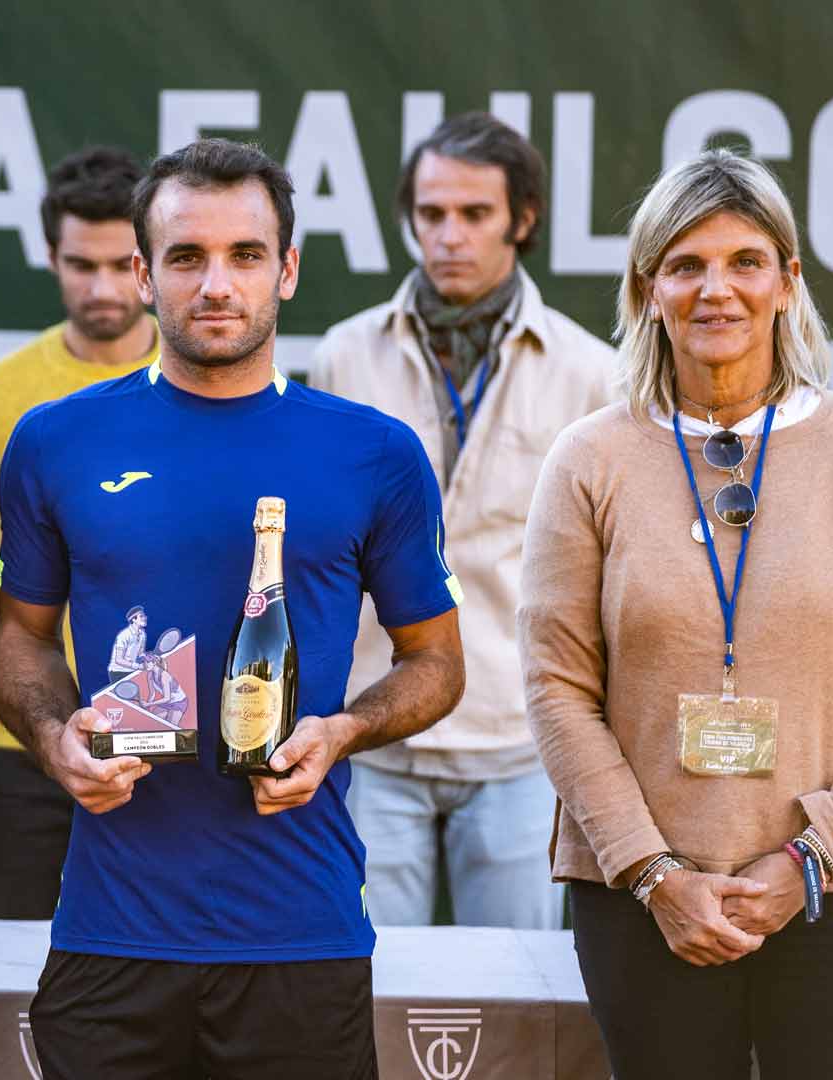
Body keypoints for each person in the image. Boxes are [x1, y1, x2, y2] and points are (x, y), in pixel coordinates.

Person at [0, 138, 465, 1077]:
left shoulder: (374, 452)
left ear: (286, 270)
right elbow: (20, 641)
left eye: (246, 255)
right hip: (111, 932)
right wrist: (51, 738)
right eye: (186, 256)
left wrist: (341, 733)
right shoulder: (56, 442)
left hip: (300, 931)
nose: (216, 284)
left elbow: (437, 666)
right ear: (142, 271)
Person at [518, 149, 833, 1079]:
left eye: (746, 261)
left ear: (789, 281)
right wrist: (655, 876)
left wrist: (809, 859)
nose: (718, 290)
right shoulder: (588, 460)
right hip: (646, 901)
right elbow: (556, 690)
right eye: (686, 265)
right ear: (648, 289)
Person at [308, 112, 614, 929]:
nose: (449, 236)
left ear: (523, 219)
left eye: (474, 214)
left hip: (521, 738)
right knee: (364, 988)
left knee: (515, 1004)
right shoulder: (344, 355)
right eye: (431, 213)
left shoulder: (593, 372)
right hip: (370, 727)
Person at [0, 144, 157, 919]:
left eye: (121, 264)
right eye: (82, 264)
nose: (103, 287)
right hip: (17, 746)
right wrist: (15, 692)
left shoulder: (206, 385)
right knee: (11, 983)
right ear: (50, 256)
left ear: (150, 260)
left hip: (163, 745)